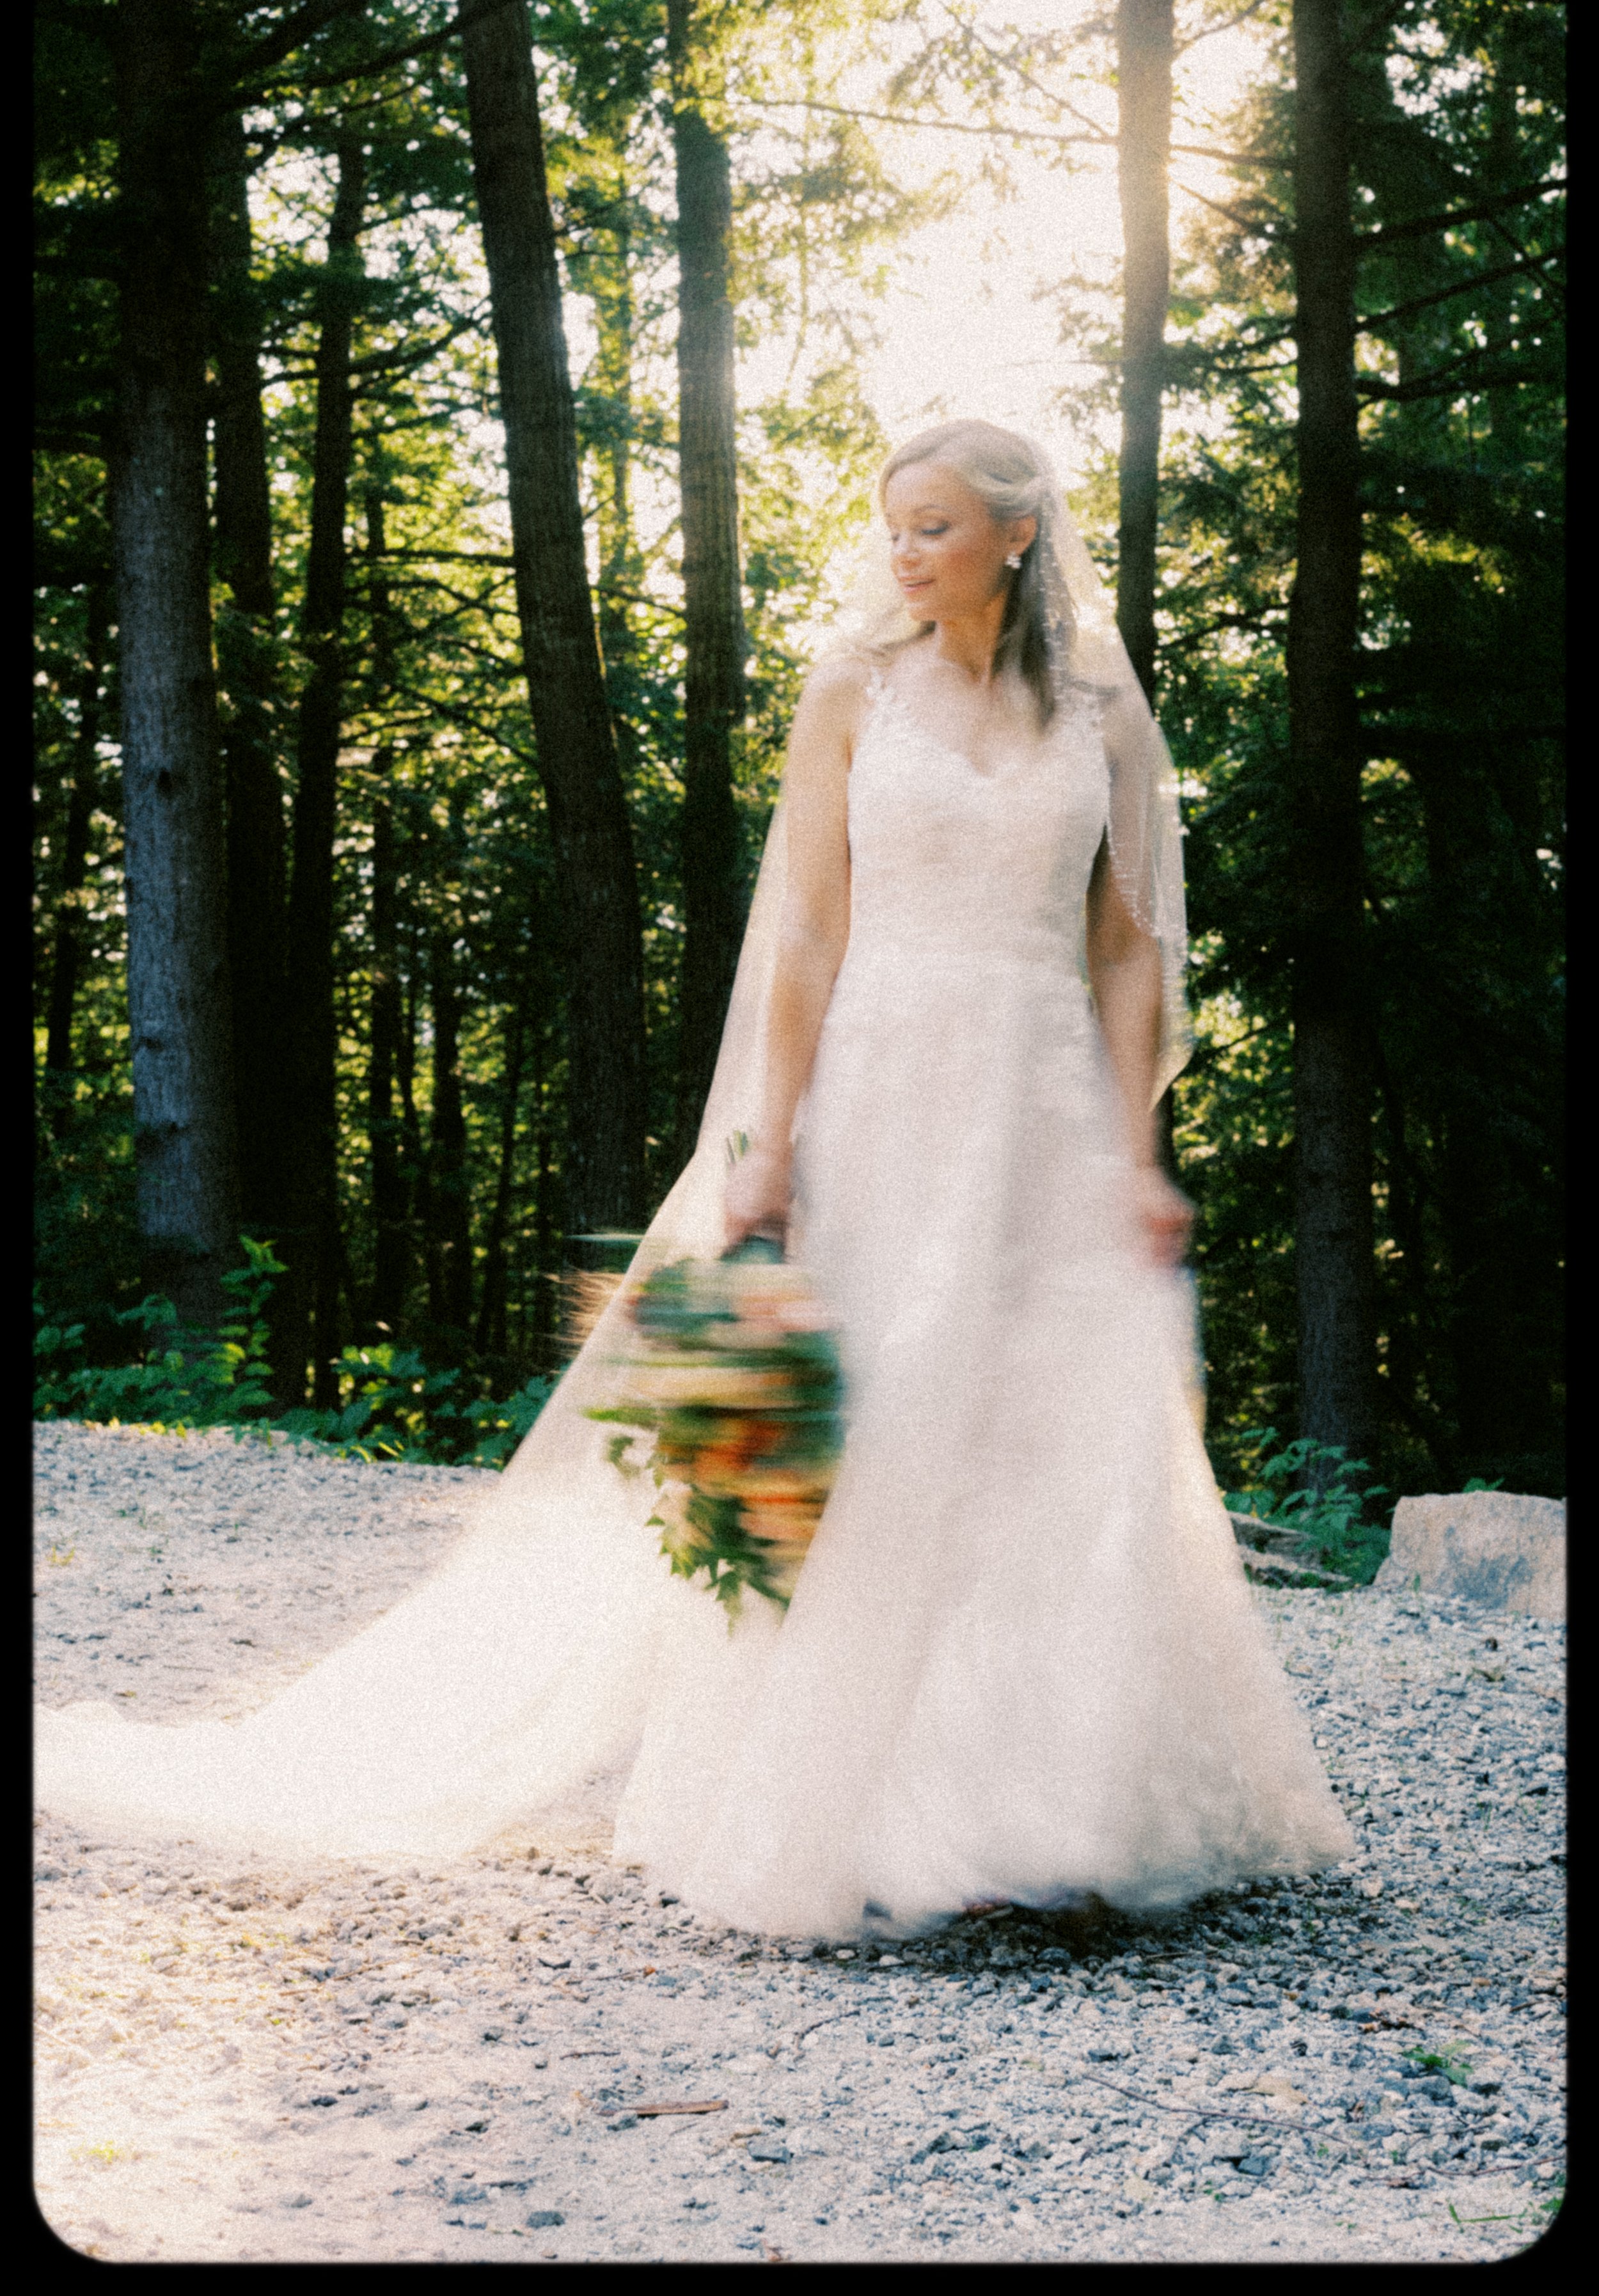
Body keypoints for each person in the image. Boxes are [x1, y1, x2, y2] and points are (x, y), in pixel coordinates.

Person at [36, 421, 1351, 1938]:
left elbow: (1124, 946)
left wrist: (1137, 1154)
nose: (902, 553)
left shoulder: (1102, 714)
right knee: (868, 1425)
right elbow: (799, 933)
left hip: (1044, 1103)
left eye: (932, 526)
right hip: (881, 1088)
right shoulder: (854, 693)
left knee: (1046, 1433)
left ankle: (1050, 1813)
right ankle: (860, 1813)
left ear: (1015, 533)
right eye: (892, 528)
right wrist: (769, 1143)